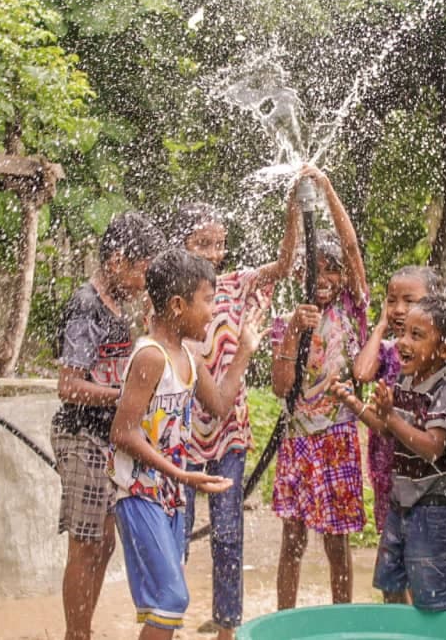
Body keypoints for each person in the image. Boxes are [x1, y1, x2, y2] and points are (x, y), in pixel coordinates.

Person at [107, 248, 264, 639]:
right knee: (171, 600)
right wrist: (183, 474)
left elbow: (220, 404)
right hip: (139, 493)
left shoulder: (189, 356)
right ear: (178, 305)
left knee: (165, 604)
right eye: (207, 301)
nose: (213, 313)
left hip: (171, 493)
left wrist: (244, 349)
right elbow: (123, 433)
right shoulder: (151, 356)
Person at [172, 193, 300, 639]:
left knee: (228, 533)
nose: (213, 253)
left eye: (219, 243)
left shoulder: (236, 284)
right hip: (183, 433)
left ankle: (228, 627)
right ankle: (171, 619)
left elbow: (283, 267)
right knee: (179, 529)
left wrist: (291, 210)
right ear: (180, 245)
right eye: (202, 243)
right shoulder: (169, 300)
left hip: (230, 431)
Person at [51, 212, 165, 640]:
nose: (144, 282)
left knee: (105, 542)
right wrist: (124, 396)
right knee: (86, 541)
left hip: (105, 438)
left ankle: (83, 628)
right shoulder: (86, 305)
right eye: (142, 271)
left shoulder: (119, 307)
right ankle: (76, 633)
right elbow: (68, 385)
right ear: (117, 262)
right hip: (80, 435)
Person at [269, 165, 368, 609]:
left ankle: (340, 617)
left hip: (339, 437)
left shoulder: (353, 307)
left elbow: (350, 246)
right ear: (301, 276)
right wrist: (293, 331)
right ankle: (284, 620)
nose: (325, 279)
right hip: (298, 441)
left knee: (336, 542)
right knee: (292, 539)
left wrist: (325, 190)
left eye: (333, 272)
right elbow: (280, 387)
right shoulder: (287, 321)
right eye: (316, 271)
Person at [332, 294, 446, 611]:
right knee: (390, 585)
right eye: (403, 332)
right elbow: (385, 429)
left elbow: (433, 448)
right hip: (402, 503)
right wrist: (355, 404)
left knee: (435, 601)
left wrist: (391, 416)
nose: (402, 343)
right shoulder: (405, 378)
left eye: (416, 336)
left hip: (435, 509)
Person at [352, 265, 446, 535]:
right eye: (391, 301)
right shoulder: (387, 350)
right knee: (392, 543)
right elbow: (361, 372)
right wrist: (381, 326)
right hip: (385, 467)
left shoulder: (434, 356)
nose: (398, 309)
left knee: (421, 542)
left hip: (420, 474)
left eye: (409, 301)